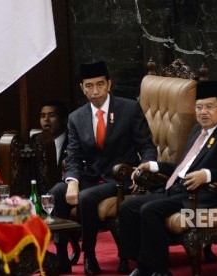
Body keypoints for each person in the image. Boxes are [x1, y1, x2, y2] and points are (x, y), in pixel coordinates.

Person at [118, 81, 217, 276]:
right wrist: (154, 166)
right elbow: (182, 167)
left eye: (209, 107)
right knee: (127, 207)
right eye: (199, 107)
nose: (203, 112)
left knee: (149, 210)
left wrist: (207, 175)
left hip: (201, 195)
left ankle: (159, 270)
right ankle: (139, 263)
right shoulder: (197, 130)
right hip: (177, 188)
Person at [50, 60, 157, 275]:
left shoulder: (129, 108)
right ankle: (61, 255)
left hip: (120, 178)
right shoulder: (75, 118)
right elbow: (73, 156)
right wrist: (71, 181)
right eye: (89, 86)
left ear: (109, 84)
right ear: (82, 88)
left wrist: (146, 168)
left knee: (88, 197)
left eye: (100, 84)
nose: (95, 91)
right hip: (91, 176)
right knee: (57, 192)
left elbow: (147, 146)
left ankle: (89, 254)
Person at [39, 99, 69, 172]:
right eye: (43, 116)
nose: (46, 119)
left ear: (65, 119)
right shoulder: (37, 144)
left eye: (52, 115)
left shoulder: (73, 141)